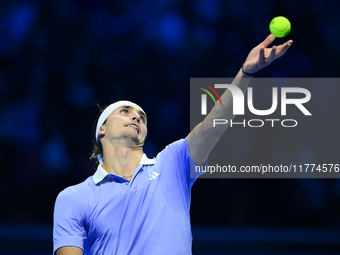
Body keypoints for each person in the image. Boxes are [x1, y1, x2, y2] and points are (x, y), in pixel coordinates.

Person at [53, 34, 292, 255]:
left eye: (141, 116)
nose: (135, 117)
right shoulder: (73, 198)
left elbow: (213, 126)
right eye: (125, 111)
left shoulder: (172, 162)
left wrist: (245, 74)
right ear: (101, 129)